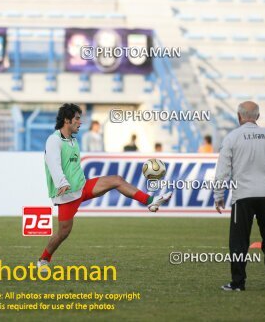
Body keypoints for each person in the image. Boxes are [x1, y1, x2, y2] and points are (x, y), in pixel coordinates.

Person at [37, 104, 172, 270]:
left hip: (83, 187)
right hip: (67, 194)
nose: (80, 122)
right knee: (63, 233)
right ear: (66, 120)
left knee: (116, 179)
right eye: (77, 119)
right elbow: (53, 163)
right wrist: (62, 182)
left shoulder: (73, 140)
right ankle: (43, 259)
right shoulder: (54, 140)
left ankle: (150, 201)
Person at [214, 101, 265, 291]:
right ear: (258, 117)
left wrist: (218, 195)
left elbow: (222, 171)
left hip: (243, 196)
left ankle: (238, 282)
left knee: (239, 241)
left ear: (238, 116)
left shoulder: (232, 138)